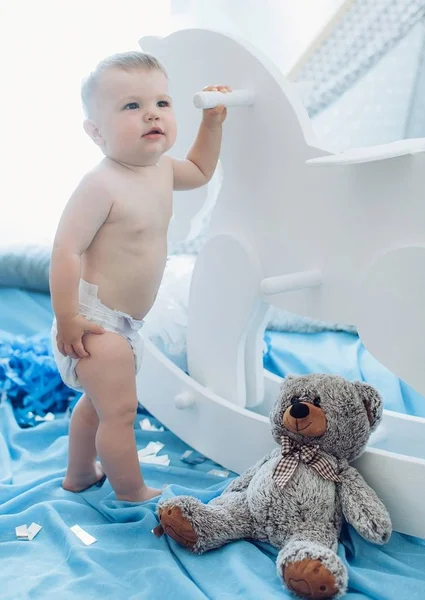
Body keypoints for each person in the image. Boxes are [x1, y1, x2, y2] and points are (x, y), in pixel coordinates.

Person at [50, 51, 230, 502]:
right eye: (131, 106)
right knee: (120, 412)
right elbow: (65, 251)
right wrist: (68, 318)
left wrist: (212, 123)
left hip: (126, 324)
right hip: (94, 321)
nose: (151, 113)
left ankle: (79, 474)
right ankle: (131, 491)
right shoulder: (102, 184)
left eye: (162, 103)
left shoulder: (162, 169)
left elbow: (203, 171)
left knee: (96, 406)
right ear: (96, 132)